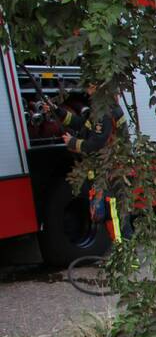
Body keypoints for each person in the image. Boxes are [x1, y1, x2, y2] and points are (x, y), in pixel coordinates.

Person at [49, 82, 129, 241]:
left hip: (110, 172)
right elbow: (81, 124)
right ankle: (122, 254)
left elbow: (96, 143)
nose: (88, 90)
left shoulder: (104, 113)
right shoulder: (100, 109)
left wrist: (73, 143)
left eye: (92, 86)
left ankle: (125, 255)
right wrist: (56, 110)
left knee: (113, 215)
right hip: (109, 171)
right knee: (110, 214)